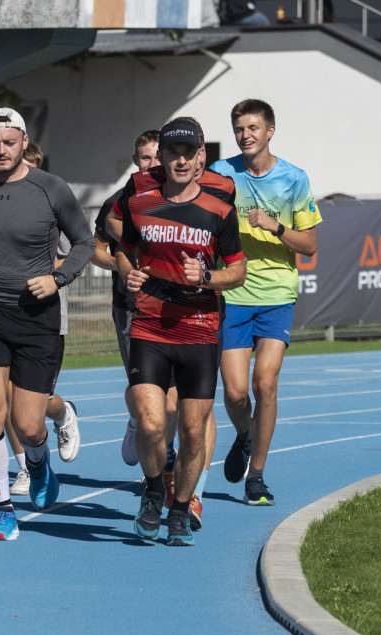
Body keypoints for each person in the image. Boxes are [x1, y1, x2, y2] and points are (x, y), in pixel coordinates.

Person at [0, 107, 94, 541]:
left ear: (24, 142)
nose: (1, 150)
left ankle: (38, 460)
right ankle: (2, 508)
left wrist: (58, 278)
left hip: (36, 316)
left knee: (27, 426)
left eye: (9, 142)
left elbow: (85, 242)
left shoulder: (51, 188)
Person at [116, 118, 245, 546]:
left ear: (200, 156)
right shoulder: (140, 202)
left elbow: (238, 272)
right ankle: (154, 491)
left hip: (200, 332)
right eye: (173, 152)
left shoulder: (219, 209)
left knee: (192, 432)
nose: (181, 160)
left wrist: (206, 276)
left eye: (189, 152)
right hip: (151, 327)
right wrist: (129, 275)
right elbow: (123, 249)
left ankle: (180, 507)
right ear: (165, 156)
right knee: (152, 425)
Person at [210, 99, 322, 506]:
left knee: (265, 383)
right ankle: (245, 434)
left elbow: (309, 245)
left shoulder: (294, 179)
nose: (246, 135)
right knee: (236, 394)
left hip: (276, 295)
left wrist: (275, 226)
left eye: (253, 127)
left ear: (270, 131)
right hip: (233, 294)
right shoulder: (221, 174)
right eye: (239, 129)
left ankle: (256, 475)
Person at [2, 142, 82, 496]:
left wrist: (47, 273)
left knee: (31, 401)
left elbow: (76, 253)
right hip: (2, 314)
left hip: (45, 318)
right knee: (4, 397)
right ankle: (24, 467)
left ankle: (63, 413)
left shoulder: (53, 202)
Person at [93, 130, 161, 474]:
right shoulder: (118, 202)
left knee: (172, 395)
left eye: (157, 157)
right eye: (145, 158)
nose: (152, 164)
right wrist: (124, 268)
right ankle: (137, 421)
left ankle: (164, 470)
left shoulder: (180, 201)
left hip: (171, 307)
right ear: (136, 161)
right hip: (129, 306)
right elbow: (96, 251)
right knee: (143, 390)